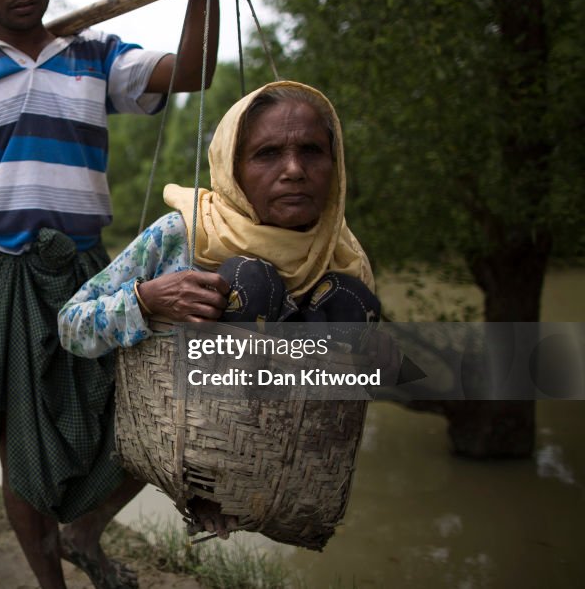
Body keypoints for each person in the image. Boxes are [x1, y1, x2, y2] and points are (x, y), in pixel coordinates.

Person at [0, 0, 245, 587]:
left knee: (138, 415)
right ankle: (52, 581)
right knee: (22, 444)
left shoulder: (96, 54)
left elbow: (195, 71)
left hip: (90, 270)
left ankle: (83, 529)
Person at [57, 80, 381, 538]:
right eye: (267, 154)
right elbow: (71, 325)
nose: (294, 170)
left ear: (336, 164)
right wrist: (147, 300)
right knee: (250, 281)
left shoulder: (342, 252)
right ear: (233, 168)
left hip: (282, 468)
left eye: (312, 151)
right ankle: (210, 490)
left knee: (354, 304)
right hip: (188, 439)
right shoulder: (183, 233)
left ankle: (271, 498)